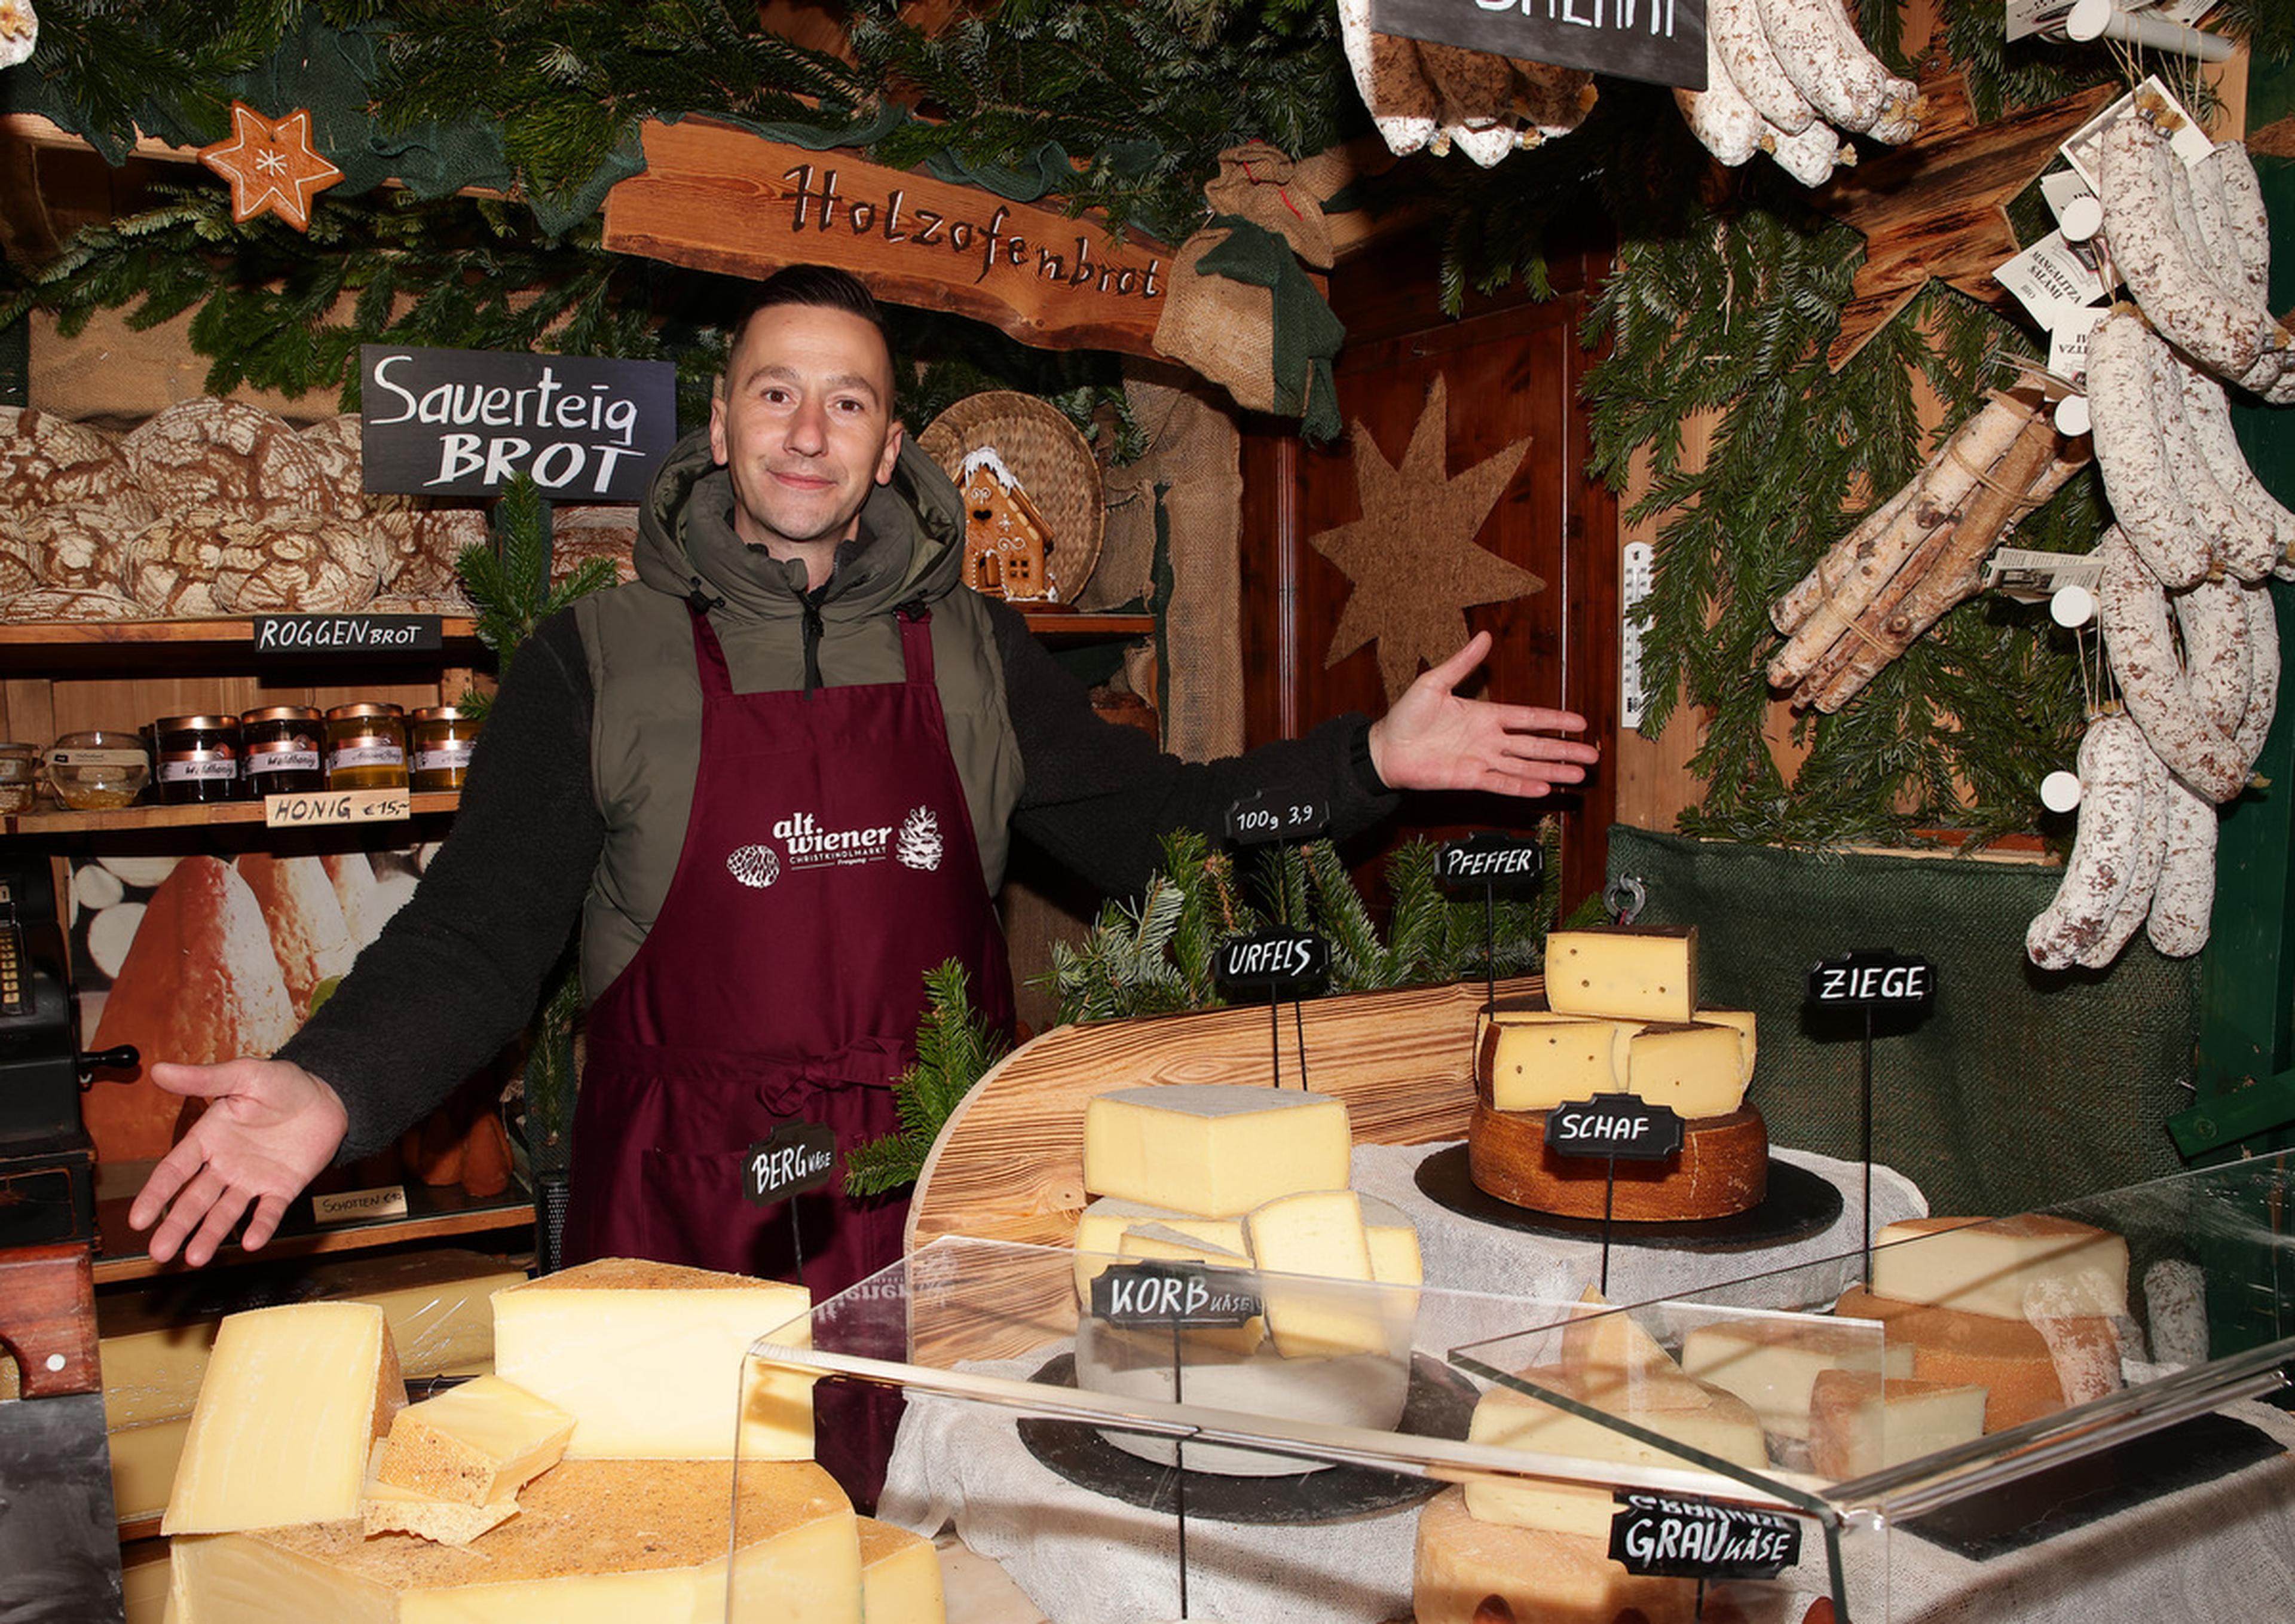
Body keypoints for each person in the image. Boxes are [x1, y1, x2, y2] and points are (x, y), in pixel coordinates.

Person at [127, 265, 1600, 1298]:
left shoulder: (976, 650)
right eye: (776, 394)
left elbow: (1155, 835)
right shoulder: (596, 657)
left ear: (893, 450)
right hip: (680, 1201)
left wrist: (1370, 763)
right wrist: (335, 1081)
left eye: (846, 405)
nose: (807, 432)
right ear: (721, 428)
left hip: (934, 1187)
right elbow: (480, 933)